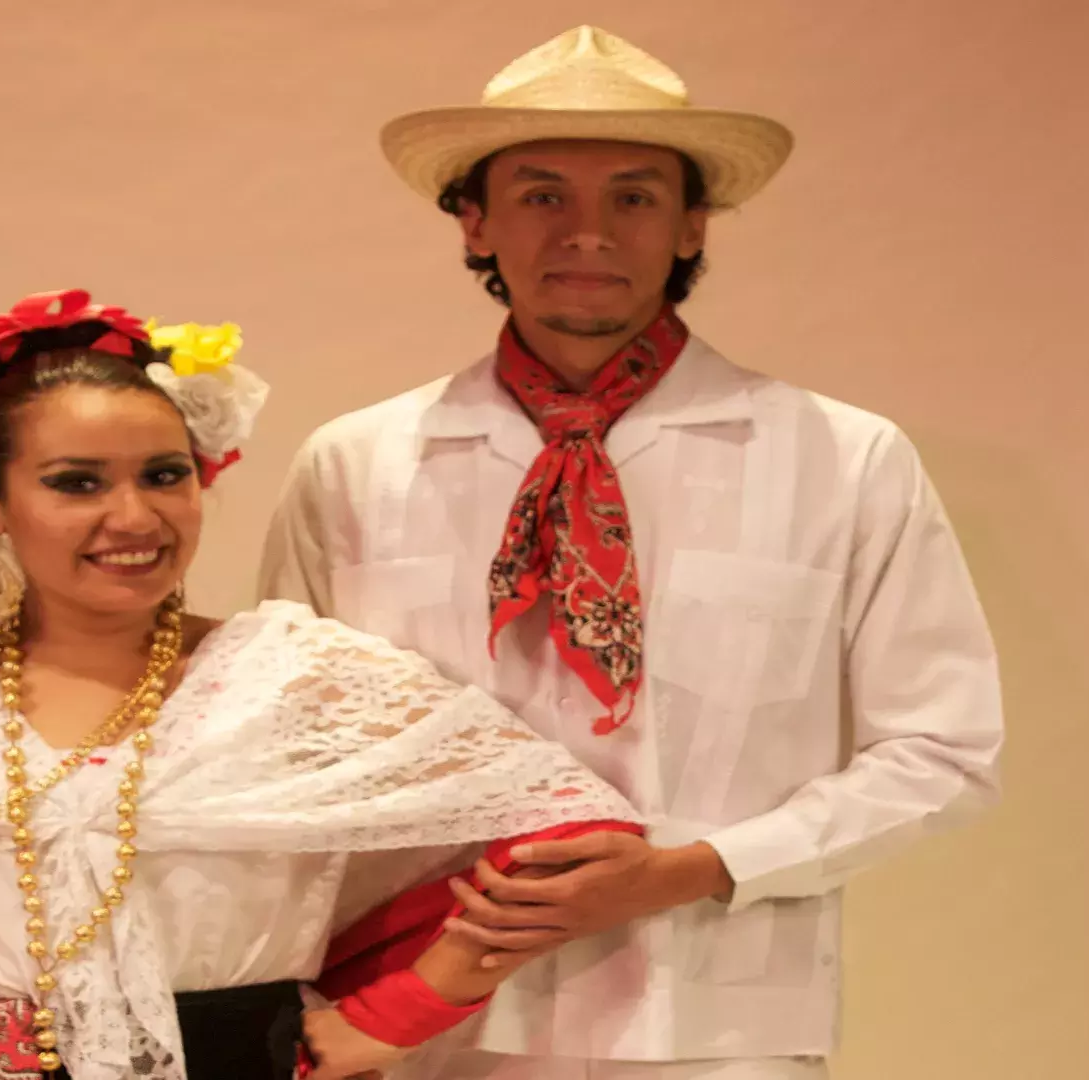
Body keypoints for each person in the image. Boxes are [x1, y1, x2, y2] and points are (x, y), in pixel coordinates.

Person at [0, 289, 650, 1080]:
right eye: (75, 483)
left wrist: (398, 1015)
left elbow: (565, 830)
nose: (135, 518)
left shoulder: (296, 677)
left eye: (164, 475)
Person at [259, 25, 1005, 1080]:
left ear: (694, 223)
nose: (589, 233)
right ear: (473, 221)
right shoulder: (355, 465)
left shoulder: (840, 458)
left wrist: (695, 869)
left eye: (637, 196)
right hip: (425, 1025)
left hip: (716, 1029)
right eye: (542, 193)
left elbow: (944, 753)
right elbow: (288, 763)